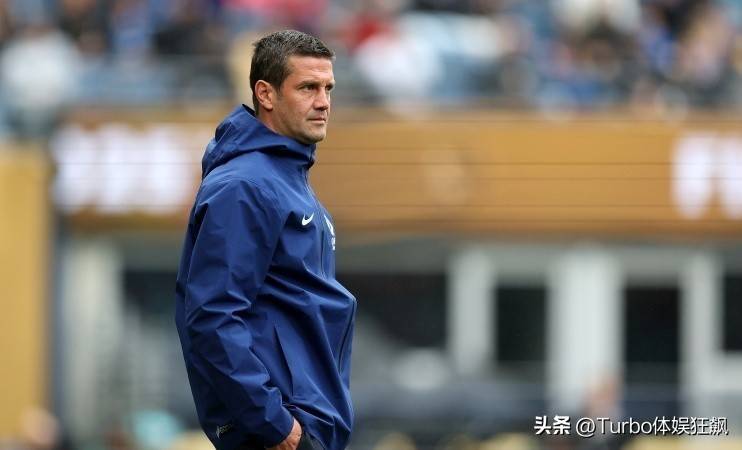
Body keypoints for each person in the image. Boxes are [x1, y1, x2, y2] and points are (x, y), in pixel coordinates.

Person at [174, 30, 356, 450]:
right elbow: (212, 316)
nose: (323, 102)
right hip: (277, 429)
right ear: (266, 94)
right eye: (308, 88)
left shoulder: (285, 179)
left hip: (303, 420)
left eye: (328, 88)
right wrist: (276, 425)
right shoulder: (245, 185)